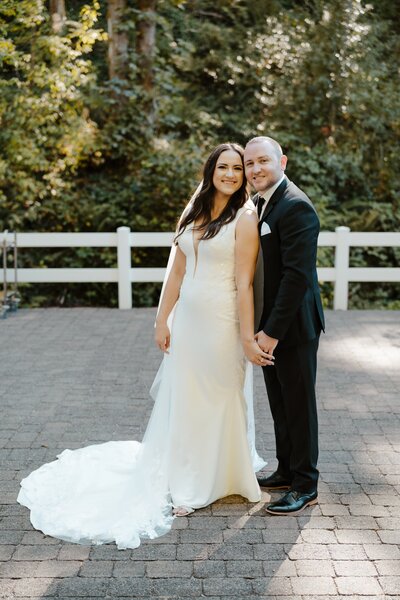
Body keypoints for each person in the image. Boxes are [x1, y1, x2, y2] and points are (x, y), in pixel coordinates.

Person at [17, 143, 270, 549]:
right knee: (186, 399)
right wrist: (161, 319)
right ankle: (184, 476)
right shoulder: (194, 212)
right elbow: (178, 271)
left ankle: (221, 476)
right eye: (223, 166)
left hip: (223, 323)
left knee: (222, 396)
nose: (230, 174)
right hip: (188, 321)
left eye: (237, 168)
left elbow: (243, 282)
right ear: (211, 170)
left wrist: (245, 335)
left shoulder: (245, 217)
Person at [244, 136, 325, 516]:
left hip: (292, 328)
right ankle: (285, 470)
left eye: (263, 161)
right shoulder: (261, 203)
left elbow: (296, 277)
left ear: (283, 162)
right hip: (270, 326)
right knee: (280, 403)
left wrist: (271, 332)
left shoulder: (296, 207)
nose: (256, 169)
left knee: (299, 405)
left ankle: (306, 484)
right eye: (250, 163)